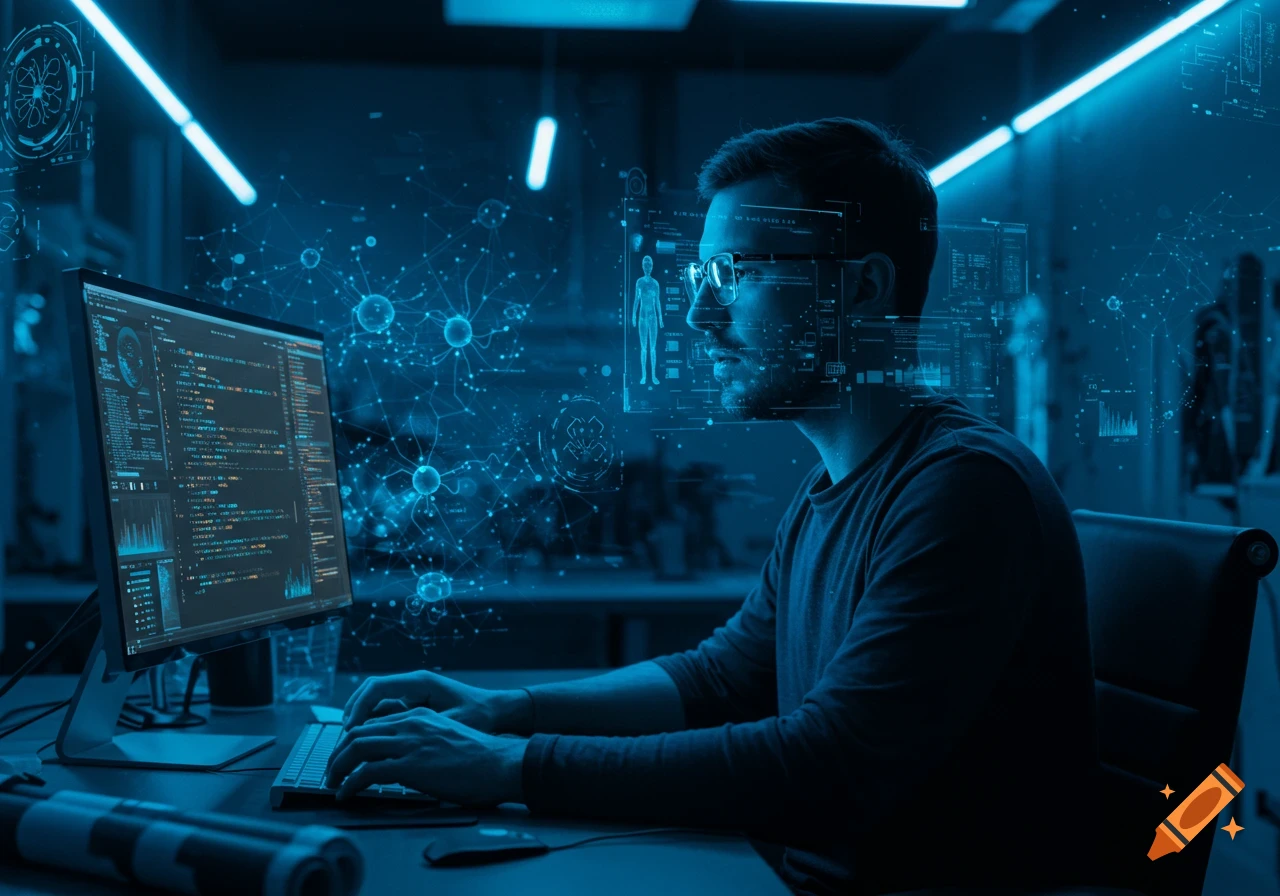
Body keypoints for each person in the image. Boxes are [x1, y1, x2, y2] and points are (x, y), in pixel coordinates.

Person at [325, 118, 1101, 894]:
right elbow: (719, 680)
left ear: (862, 288)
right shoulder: (836, 484)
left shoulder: (964, 488)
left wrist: (509, 766)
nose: (701, 315)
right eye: (701, 279)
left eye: (738, 273)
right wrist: (505, 711)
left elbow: (826, 762)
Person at [633, 254, 663, 384]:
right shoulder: (639, 282)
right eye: (645, 265)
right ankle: (644, 376)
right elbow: (636, 300)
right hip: (643, 317)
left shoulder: (655, 283)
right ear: (642, 266)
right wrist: (633, 315)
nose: (647, 267)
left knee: (653, 348)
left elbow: (658, 302)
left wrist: (660, 318)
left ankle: (654, 375)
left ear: (652, 266)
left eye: (649, 265)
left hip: (652, 317)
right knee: (644, 347)